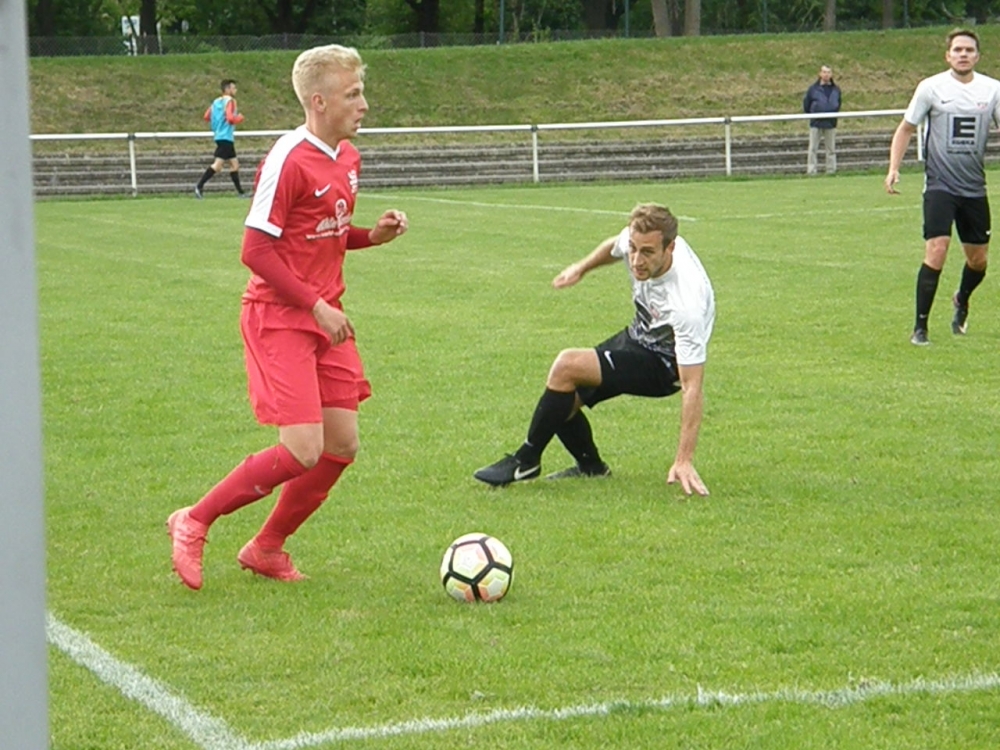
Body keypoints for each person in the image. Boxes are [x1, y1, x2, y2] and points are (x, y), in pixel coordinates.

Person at [167, 45, 408, 590]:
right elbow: (256, 250)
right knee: (302, 448)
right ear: (319, 102)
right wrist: (315, 305)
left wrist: (373, 236)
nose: (364, 105)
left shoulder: (347, 157)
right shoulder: (288, 159)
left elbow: (325, 233)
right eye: (353, 94)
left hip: (325, 317)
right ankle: (194, 520)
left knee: (341, 444)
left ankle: (266, 547)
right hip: (280, 315)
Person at [473, 203, 715, 496]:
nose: (636, 260)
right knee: (560, 401)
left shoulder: (686, 301)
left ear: (670, 248)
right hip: (637, 337)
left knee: (566, 366)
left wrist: (684, 460)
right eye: (634, 249)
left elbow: (692, 386)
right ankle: (591, 467)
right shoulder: (637, 239)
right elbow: (614, 246)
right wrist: (581, 268)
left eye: (648, 252)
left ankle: (526, 460)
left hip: (665, 365)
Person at [885, 28, 1000, 346]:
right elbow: (906, 128)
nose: (963, 54)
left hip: (974, 187)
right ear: (947, 55)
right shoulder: (931, 88)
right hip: (939, 185)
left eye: (969, 50)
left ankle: (962, 298)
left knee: (978, 261)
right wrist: (894, 168)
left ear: (977, 56)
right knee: (937, 249)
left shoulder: (992, 90)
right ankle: (920, 328)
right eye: (957, 50)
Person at [195, 79, 247, 198]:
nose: (235, 90)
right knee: (217, 166)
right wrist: (239, 118)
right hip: (226, 136)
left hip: (220, 136)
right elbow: (230, 118)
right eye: (233, 88)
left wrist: (218, 122)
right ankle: (199, 186)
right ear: (227, 89)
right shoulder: (230, 101)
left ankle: (241, 192)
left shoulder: (216, 101)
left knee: (235, 165)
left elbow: (206, 116)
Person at [803, 65, 841, 175]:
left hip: (830, 123)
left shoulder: (836, 90)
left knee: (831, 149)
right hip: (816, 122)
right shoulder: (813, 89)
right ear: (820, 74)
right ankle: (811, 171)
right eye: (824, 72)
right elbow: (806, 104)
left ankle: (831, 170)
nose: (826, 75)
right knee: (813, 148)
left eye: (828, 72)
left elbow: (838, 103)